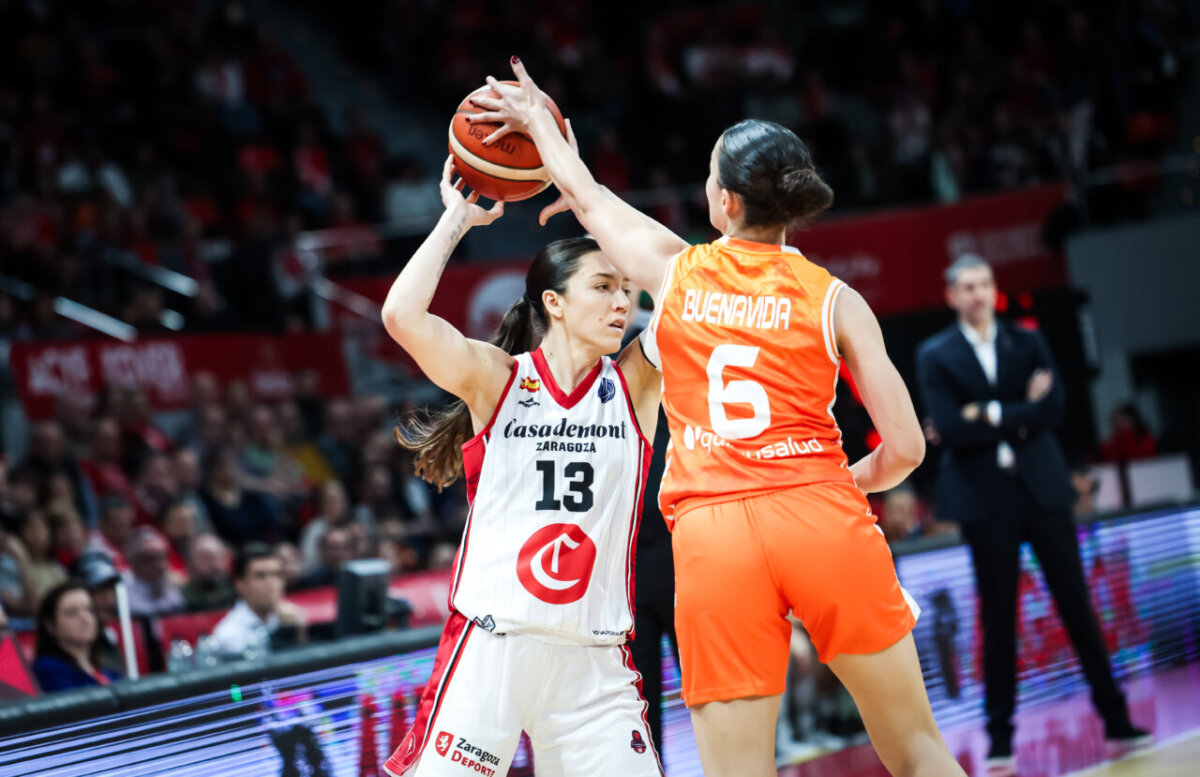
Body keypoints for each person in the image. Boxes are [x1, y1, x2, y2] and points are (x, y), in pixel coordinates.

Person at [474, 59, 964, 777]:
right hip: (819, 511)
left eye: (709, 176)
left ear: (726, 202)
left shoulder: (677, 271)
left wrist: (540, 125)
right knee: (919, 750)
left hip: (714, 534)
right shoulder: (835, 298)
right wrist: (843, 481)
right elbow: (909, 448)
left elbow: (584, 194)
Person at [378, 154, 663, 777]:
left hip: (593, 660)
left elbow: (690, 283)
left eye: (626, 288)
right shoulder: (498, 378)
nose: (623, 302)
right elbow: (401, 318)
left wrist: (591, 194)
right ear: (554, 303)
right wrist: (454, 221)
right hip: (492, 648)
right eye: (603, 286)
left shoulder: (638, 383)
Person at [915, 254, 1150, 770]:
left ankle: (1117, 719)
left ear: (993, 289)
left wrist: (986, 414)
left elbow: (1054, 409)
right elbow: (951, 429)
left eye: (984, 284)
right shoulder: (935, 354)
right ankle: (1000, 737)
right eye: (967, 287)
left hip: (1043, 490)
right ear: (952, 295)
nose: (977, 294)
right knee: (998, 620)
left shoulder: (1028, 340)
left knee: (1078, 610)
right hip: (985, 500)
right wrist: (1016, 411)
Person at [210, 543, 305, 655]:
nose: (271, 583)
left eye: (277, 575)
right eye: (261, 576)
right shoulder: (228, 635)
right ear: (240, 584)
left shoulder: (291, 618)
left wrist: (298, 632)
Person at [32, 581, 121, 692]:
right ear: (50, 625)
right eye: (72, 612)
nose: (86, 618)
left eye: (90, 610)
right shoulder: (49, 669)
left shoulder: (107, 668)